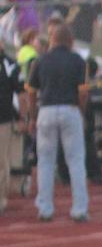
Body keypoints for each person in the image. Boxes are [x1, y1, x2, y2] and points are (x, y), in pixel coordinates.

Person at [25, 23, 89, 223]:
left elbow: (31, 92)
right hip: (70, 109)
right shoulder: (78, 60)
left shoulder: (40, 61)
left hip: (46, 110)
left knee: (45, 161)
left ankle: (45, 208)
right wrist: (80, 111)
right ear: (70, 42)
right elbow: (83, 91)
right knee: (76, 160)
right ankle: (79, 208)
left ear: (51, 40)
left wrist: (33, 117)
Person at [1, 39, 25, 215]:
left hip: (3, 118)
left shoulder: (9, 64)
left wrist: (23, 117)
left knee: (1, 160)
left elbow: (21, 92)